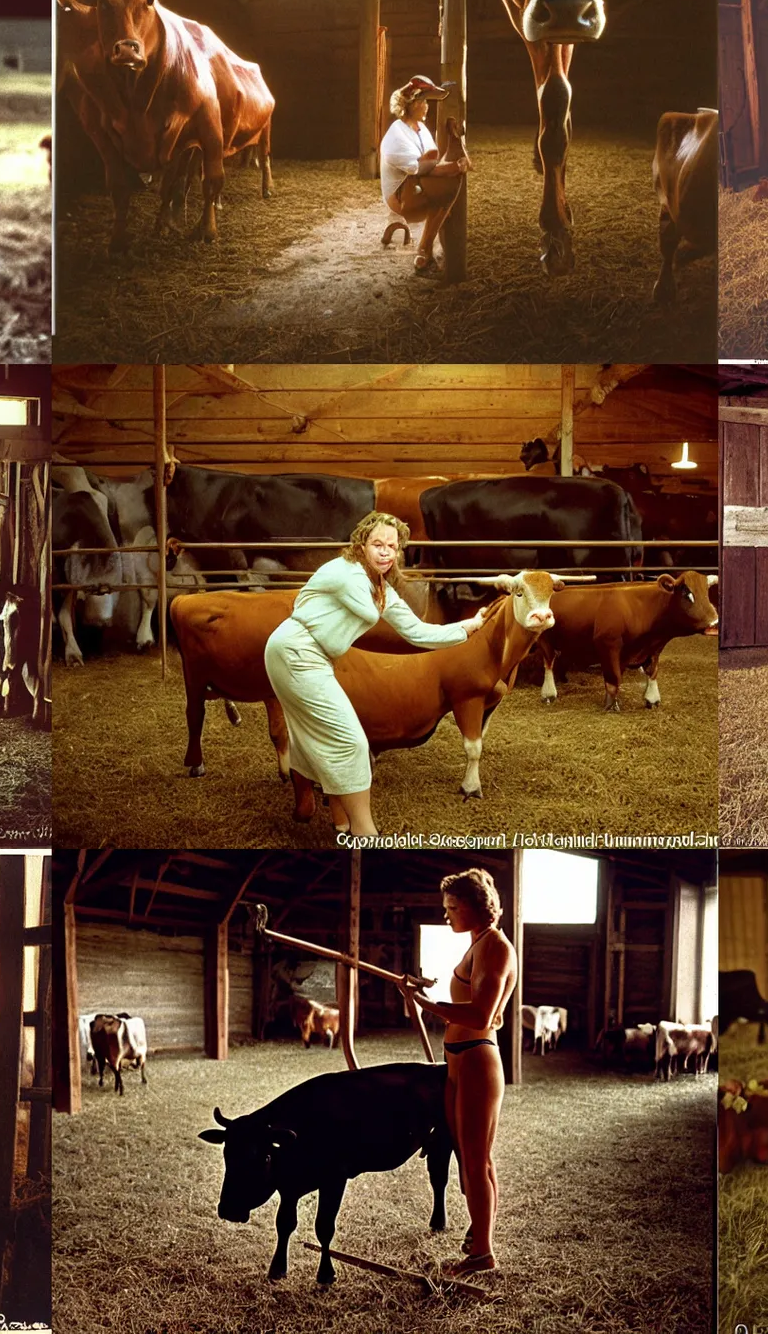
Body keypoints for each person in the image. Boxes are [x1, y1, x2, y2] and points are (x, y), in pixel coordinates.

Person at [263, 511, 488, 838]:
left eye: (392, 547)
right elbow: (368, 609)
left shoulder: (380, 588)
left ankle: (329, 814)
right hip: (296, 651)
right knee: (352, 741)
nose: (385, 552)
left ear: (399, 551)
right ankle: (364, 832)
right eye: (377, 544)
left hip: (310, 656)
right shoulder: (346, 571)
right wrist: (382, 597)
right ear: (361, 544)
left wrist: (467, 628)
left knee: (314, 732)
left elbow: (417, 632)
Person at [400, 868, 516, 1276]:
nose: (446, 914)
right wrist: (423, 993)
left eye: (452, 907)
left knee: (475, 1161)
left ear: (474, 907)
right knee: (472, 1159)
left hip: (477, 1060)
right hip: (459, 1060)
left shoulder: (495, 947)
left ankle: (482, 1254)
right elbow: (469, 1000)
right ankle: (479, 1235)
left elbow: (482, 1014)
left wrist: (426, 1006)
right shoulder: (478, 944)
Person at [378, 75, 471, 276]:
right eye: (423, 102)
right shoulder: (397, 134)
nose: (427, 107)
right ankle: (425, 249)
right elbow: (419, 168)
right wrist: (453, 167)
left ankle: (425, 247)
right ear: (411, 106)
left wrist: (453, 165)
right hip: (400, 196)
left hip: (415, 184)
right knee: (449, 184)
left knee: (450, 184)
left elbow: (432, 162)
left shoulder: (421, 131)